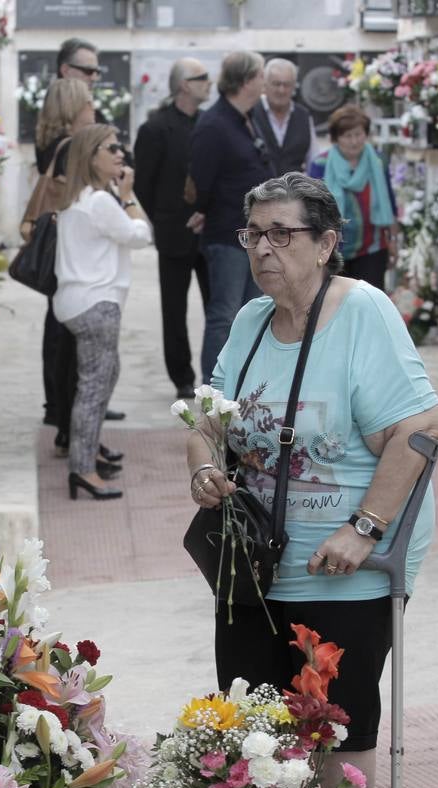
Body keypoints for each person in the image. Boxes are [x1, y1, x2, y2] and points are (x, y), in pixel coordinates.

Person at [186, 172, 438, 788]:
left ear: (327, 244)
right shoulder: (249, 323)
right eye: (253, 234)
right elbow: (207, 419)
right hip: (253, 557)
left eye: (282, 234)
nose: (263, 250)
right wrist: (206, 467)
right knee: (247, 713)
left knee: (336, 714)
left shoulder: (365, 314)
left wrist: (364, 529)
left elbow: (420, 429)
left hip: (345, 561)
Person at [54, 124, 152, 501]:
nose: (120, 153)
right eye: (111, 148)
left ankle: (88, 450)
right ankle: (83, 470)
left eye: (120, 146)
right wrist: (127, 197)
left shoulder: (82, 196)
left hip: (80, 300)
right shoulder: (100, 201)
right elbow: (141, 235)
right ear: (90, 155)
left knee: (103, 377)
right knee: (94, 388)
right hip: (96, 302)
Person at [188, 50, 273, 386]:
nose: (264, 82)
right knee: (224, 314)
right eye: (261, 75)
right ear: (247, 80)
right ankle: (215, 388)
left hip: (254, 235)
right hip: (227, 235)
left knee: (254, 311)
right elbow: (202, 180)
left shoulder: (247, 117)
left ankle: (246, 384)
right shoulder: (214, 123)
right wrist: (205, 211)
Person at [135, 57, 212, 400]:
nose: (209, 83)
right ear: (184, 85)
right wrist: (162, 219)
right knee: (174, 309)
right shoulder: (155, 128)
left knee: (220, 308)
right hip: (174, 232)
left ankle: (218, 373)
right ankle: (182, 376)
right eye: (202, 78)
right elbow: (144, 187)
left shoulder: (212, 124)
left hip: (212, 232)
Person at [32, 78, 95, 458]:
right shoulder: (69, 148)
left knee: (59, 333)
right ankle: (72, 425)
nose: (93, 109)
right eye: (87, 103)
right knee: (70, 340)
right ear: (73, 109)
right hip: (71, 253)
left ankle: (62, 416)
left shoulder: (51, 144)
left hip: (62, 253)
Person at [307, 105, 399, 289]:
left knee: (370, 304)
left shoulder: (378, 161)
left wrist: (393, 242)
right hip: (332, 250)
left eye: (358, 135)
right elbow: (311, 209)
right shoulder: (320, 164)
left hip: (372, 247)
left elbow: (389, 202)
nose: (354, 141)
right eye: (347, 136)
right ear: (336, 138)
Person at [261, 58, 320, 177]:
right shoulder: (251, 114)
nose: (281, 90)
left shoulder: (303, 116)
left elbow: (313, 160)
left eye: (287, 85)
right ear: (265, 84)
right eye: (276, 84)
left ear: (294, 87)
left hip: (293, 193)